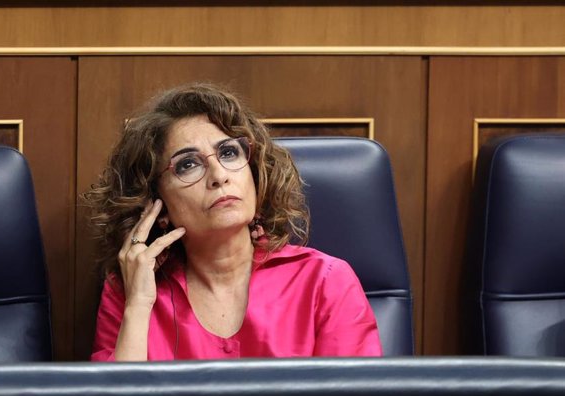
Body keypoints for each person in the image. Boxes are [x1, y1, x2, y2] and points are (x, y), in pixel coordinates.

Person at [87, 82, 381, 361]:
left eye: (229, 153)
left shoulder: (324, 281)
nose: (219, 175)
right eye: (188, 164)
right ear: (156, 204)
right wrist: (138, 306)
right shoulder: (131, 289)